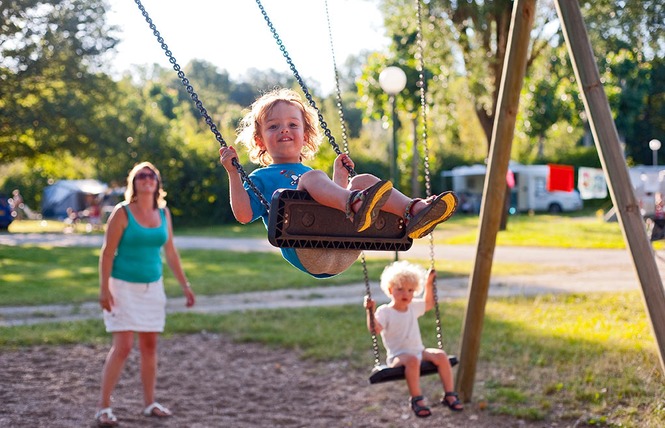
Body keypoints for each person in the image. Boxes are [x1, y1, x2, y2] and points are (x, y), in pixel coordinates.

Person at [219, 88, 457, 278]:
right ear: (260, 141)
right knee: (313, 178)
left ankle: (414, 211)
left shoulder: (311, 174)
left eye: (293, 124)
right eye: (273, 126)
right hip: (309, 251)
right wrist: (233, 174)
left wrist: (340, 179)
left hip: (342, 246)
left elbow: (327, 209)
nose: (284, 130)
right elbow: (243, 215)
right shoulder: (263, 176)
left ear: (306, 136)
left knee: (363, 180)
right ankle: (355, 204)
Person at [95, 162, 196, 427]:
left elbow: (171, 253)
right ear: (134, 182)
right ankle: (104, 408)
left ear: (157, 183)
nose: (147, 179)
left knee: (150, 346)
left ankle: (150, 403)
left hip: (153, 288)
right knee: (124, 346)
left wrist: (185, 286)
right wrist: (104, 289)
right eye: (141, 175)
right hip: (123, 287)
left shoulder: (164, 213)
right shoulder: (122, 213)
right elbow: (107, 253)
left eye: (151, 175)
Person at [363, 260, 463, 418]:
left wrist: (429, 283)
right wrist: (370, 311)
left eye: (410, 290)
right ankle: (417, 400)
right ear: (390, 289)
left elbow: (429, 303)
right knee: (412, 361)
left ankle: (449, 394)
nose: (406, 294)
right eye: (400, 289)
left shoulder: (413, 307)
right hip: (398, 356)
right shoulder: (385, 312)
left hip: (419, 351)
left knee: (441, 355)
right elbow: (375, 329)